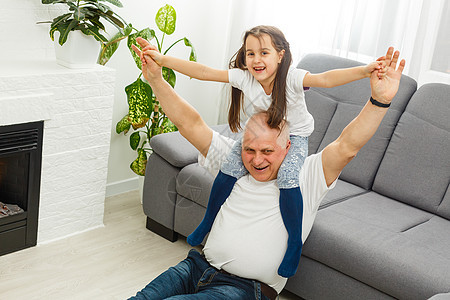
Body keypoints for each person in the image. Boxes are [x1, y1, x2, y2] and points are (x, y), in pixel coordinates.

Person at [129, 39, 405, 300]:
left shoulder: (306, 176)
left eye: (267, 151)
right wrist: (155, 78)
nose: (256, 160)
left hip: (245, 289)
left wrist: (379, 101)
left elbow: (347, 146)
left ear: (287, 148)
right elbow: (190, 124)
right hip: (195, 267)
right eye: (249, 149)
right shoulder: (232, 161)